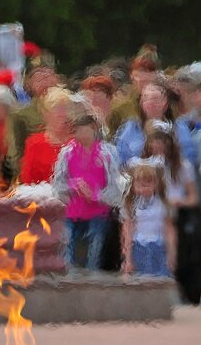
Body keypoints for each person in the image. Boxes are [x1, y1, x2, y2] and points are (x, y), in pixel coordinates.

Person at [53, 113, 124, 270]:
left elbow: (116, 185)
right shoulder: (67, 153)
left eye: (83, 130)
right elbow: (58, 183)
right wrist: (74, 186)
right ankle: (69, 280)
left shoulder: (107, 154)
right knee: (67, 245)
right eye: (77, 130)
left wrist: (96, 195)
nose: (79, 134)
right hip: (72, 210)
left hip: (99, 212)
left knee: (95, 249)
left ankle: (93, 283)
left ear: (93, 129)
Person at [143, 122, 200, 302]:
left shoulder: (183, 166)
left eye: (162, 141)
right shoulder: (145, 165)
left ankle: (182, 295)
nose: (158, 145)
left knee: (179, 256)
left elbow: (193, 198)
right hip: (150, 216)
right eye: (155, 141)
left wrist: (179, 202)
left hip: (176, 216)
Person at [115, 79, 196, 166]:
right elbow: (120, 157)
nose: (150, 103)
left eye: (155, 99)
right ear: (141, 102)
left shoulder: (178, 127)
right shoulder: (131, 127)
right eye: (146, 98)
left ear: (166, 103)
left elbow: (189, 157)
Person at [121, 158, 176, 277]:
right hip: (139, 248)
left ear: (156, 183)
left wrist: (172, 254)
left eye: (148, 183)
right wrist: (128, 259)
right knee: (141, 282)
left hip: (160, 247)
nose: (144, 187)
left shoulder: (163, 204)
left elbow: (169, 230)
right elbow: (128, 232)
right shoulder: (132, 205)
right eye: (140, 184)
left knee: (162, 281)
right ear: (134, 184)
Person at [20, 87, 74, 184]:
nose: (62, 114)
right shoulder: (34, 143)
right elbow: (27, 182)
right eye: (57, 108)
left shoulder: (79, 141)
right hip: (42, 196)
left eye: (66, 108)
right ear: (46, 114)